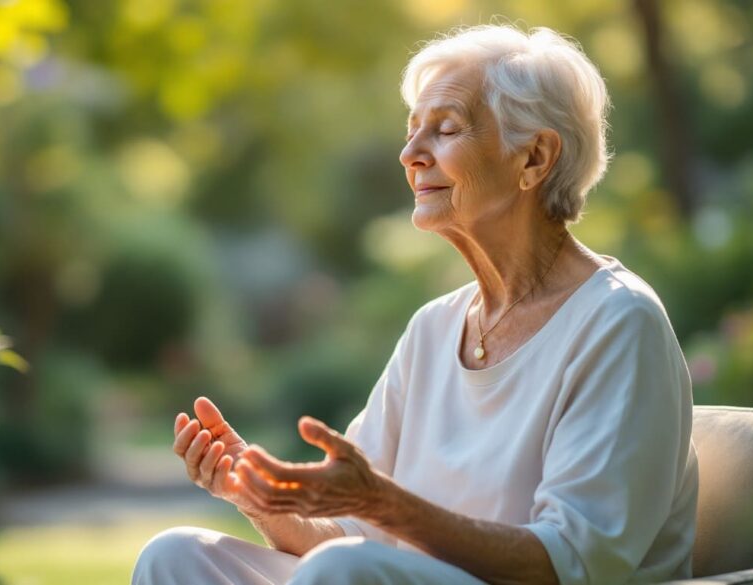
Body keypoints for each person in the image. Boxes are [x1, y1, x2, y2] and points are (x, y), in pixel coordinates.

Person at [132, 23, 698, 585]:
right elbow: (352, 533)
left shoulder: (619, 323)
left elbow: (571, 561)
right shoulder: (434, 327)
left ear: (534, 158)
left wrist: (387, 505)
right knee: (177, 554)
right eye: (411, 132)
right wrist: (259, 498)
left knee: (344, 571)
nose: (410, 154)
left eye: (445, 130)